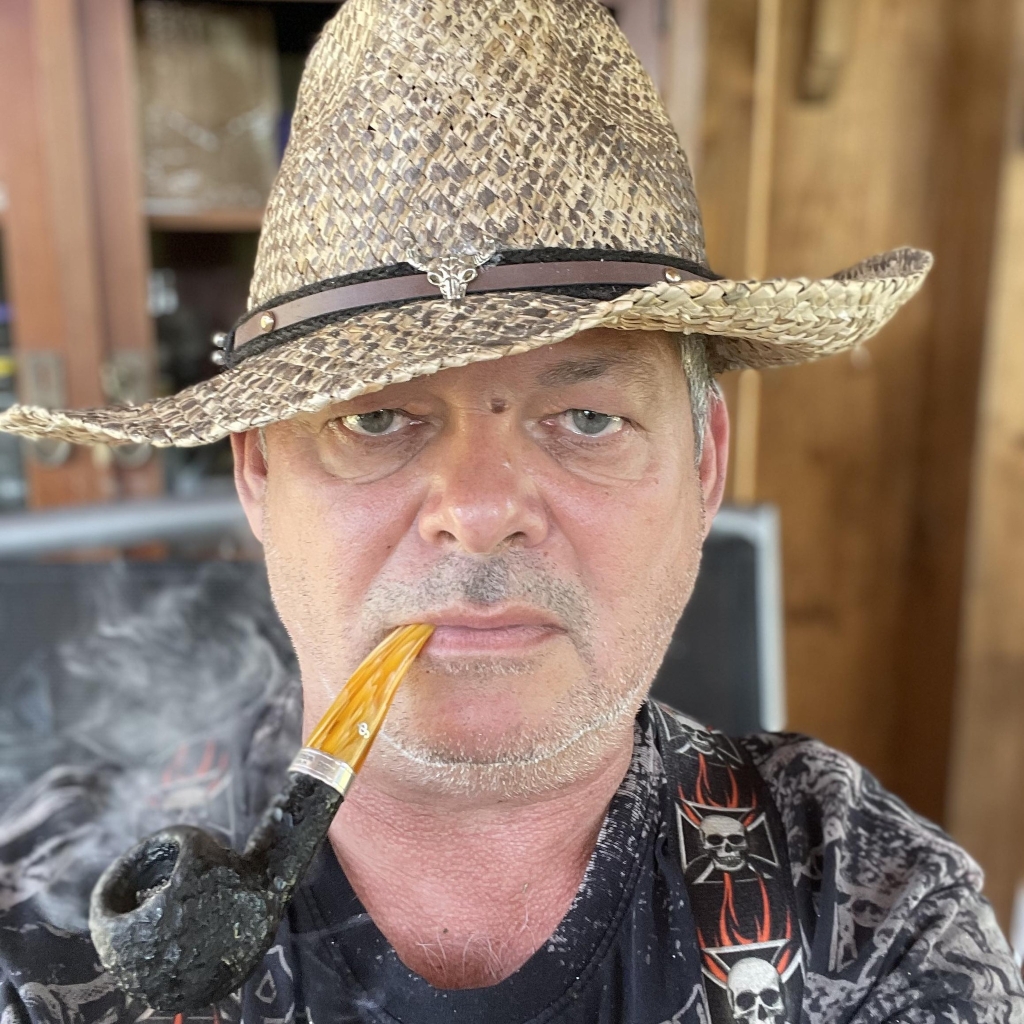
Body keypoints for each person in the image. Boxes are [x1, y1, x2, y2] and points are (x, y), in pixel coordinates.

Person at [1, 1, 1021, 1022]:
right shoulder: (45, 918)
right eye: (377, 418)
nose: (481, 511)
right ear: (257, 471)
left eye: (587, 417)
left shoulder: (865, 909)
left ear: (704, 463)